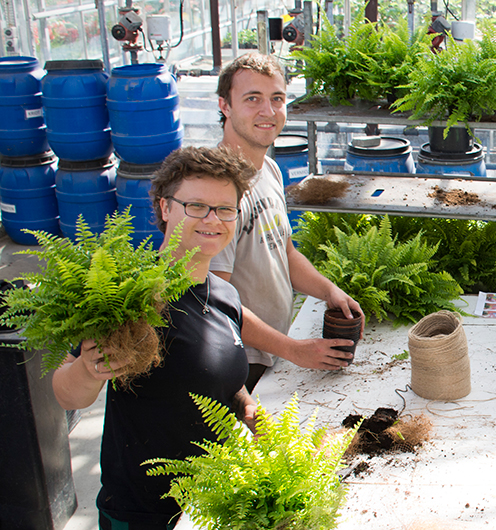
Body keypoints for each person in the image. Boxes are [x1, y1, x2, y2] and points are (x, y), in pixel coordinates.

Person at [50, 147, 327, 529]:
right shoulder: (131, 294)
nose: (213, 220)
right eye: (196, 206)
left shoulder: (222, 291)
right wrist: (89, 367)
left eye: (225, 209)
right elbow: (68, 393)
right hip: (146, 513)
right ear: (165, 208)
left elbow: (216, 361)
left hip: (212, 504)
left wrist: (251, 410)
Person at [211, 53, 364, 392]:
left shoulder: (268, 170)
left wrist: (329, 291)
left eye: (277, 99)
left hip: (272, 350)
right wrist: (293, 349)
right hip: (238, 362)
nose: (268, 112)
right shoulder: (218, 188)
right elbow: (212, 299)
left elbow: (285, 252)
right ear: (225, 105)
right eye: (252, 99)